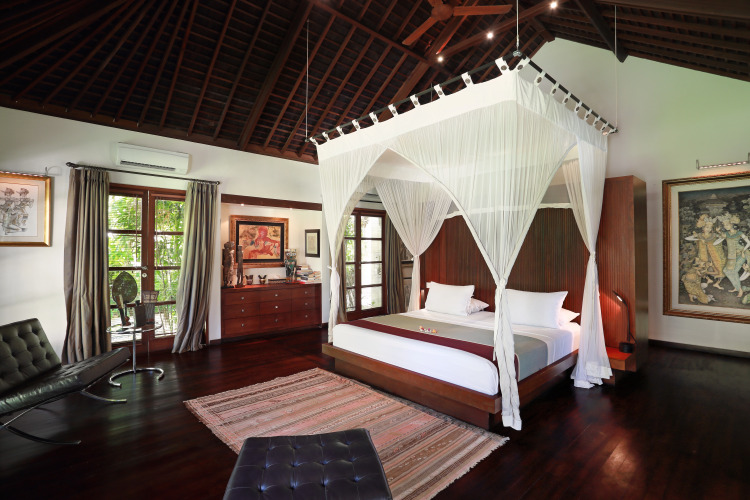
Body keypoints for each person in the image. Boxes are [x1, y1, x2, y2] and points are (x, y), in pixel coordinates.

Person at [713, 213, 750, 298]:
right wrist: (718, 231)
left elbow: (749, 243)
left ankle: (739, 289)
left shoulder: (739, 233)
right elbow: (720, 236)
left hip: (742, 254)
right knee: (726, 271)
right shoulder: (726, 234)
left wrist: (743, 251)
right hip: (732, 255)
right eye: (724, 225)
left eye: (727, 224)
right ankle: (737, 287)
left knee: (733, 271)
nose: (725, 226)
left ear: (732, 224)